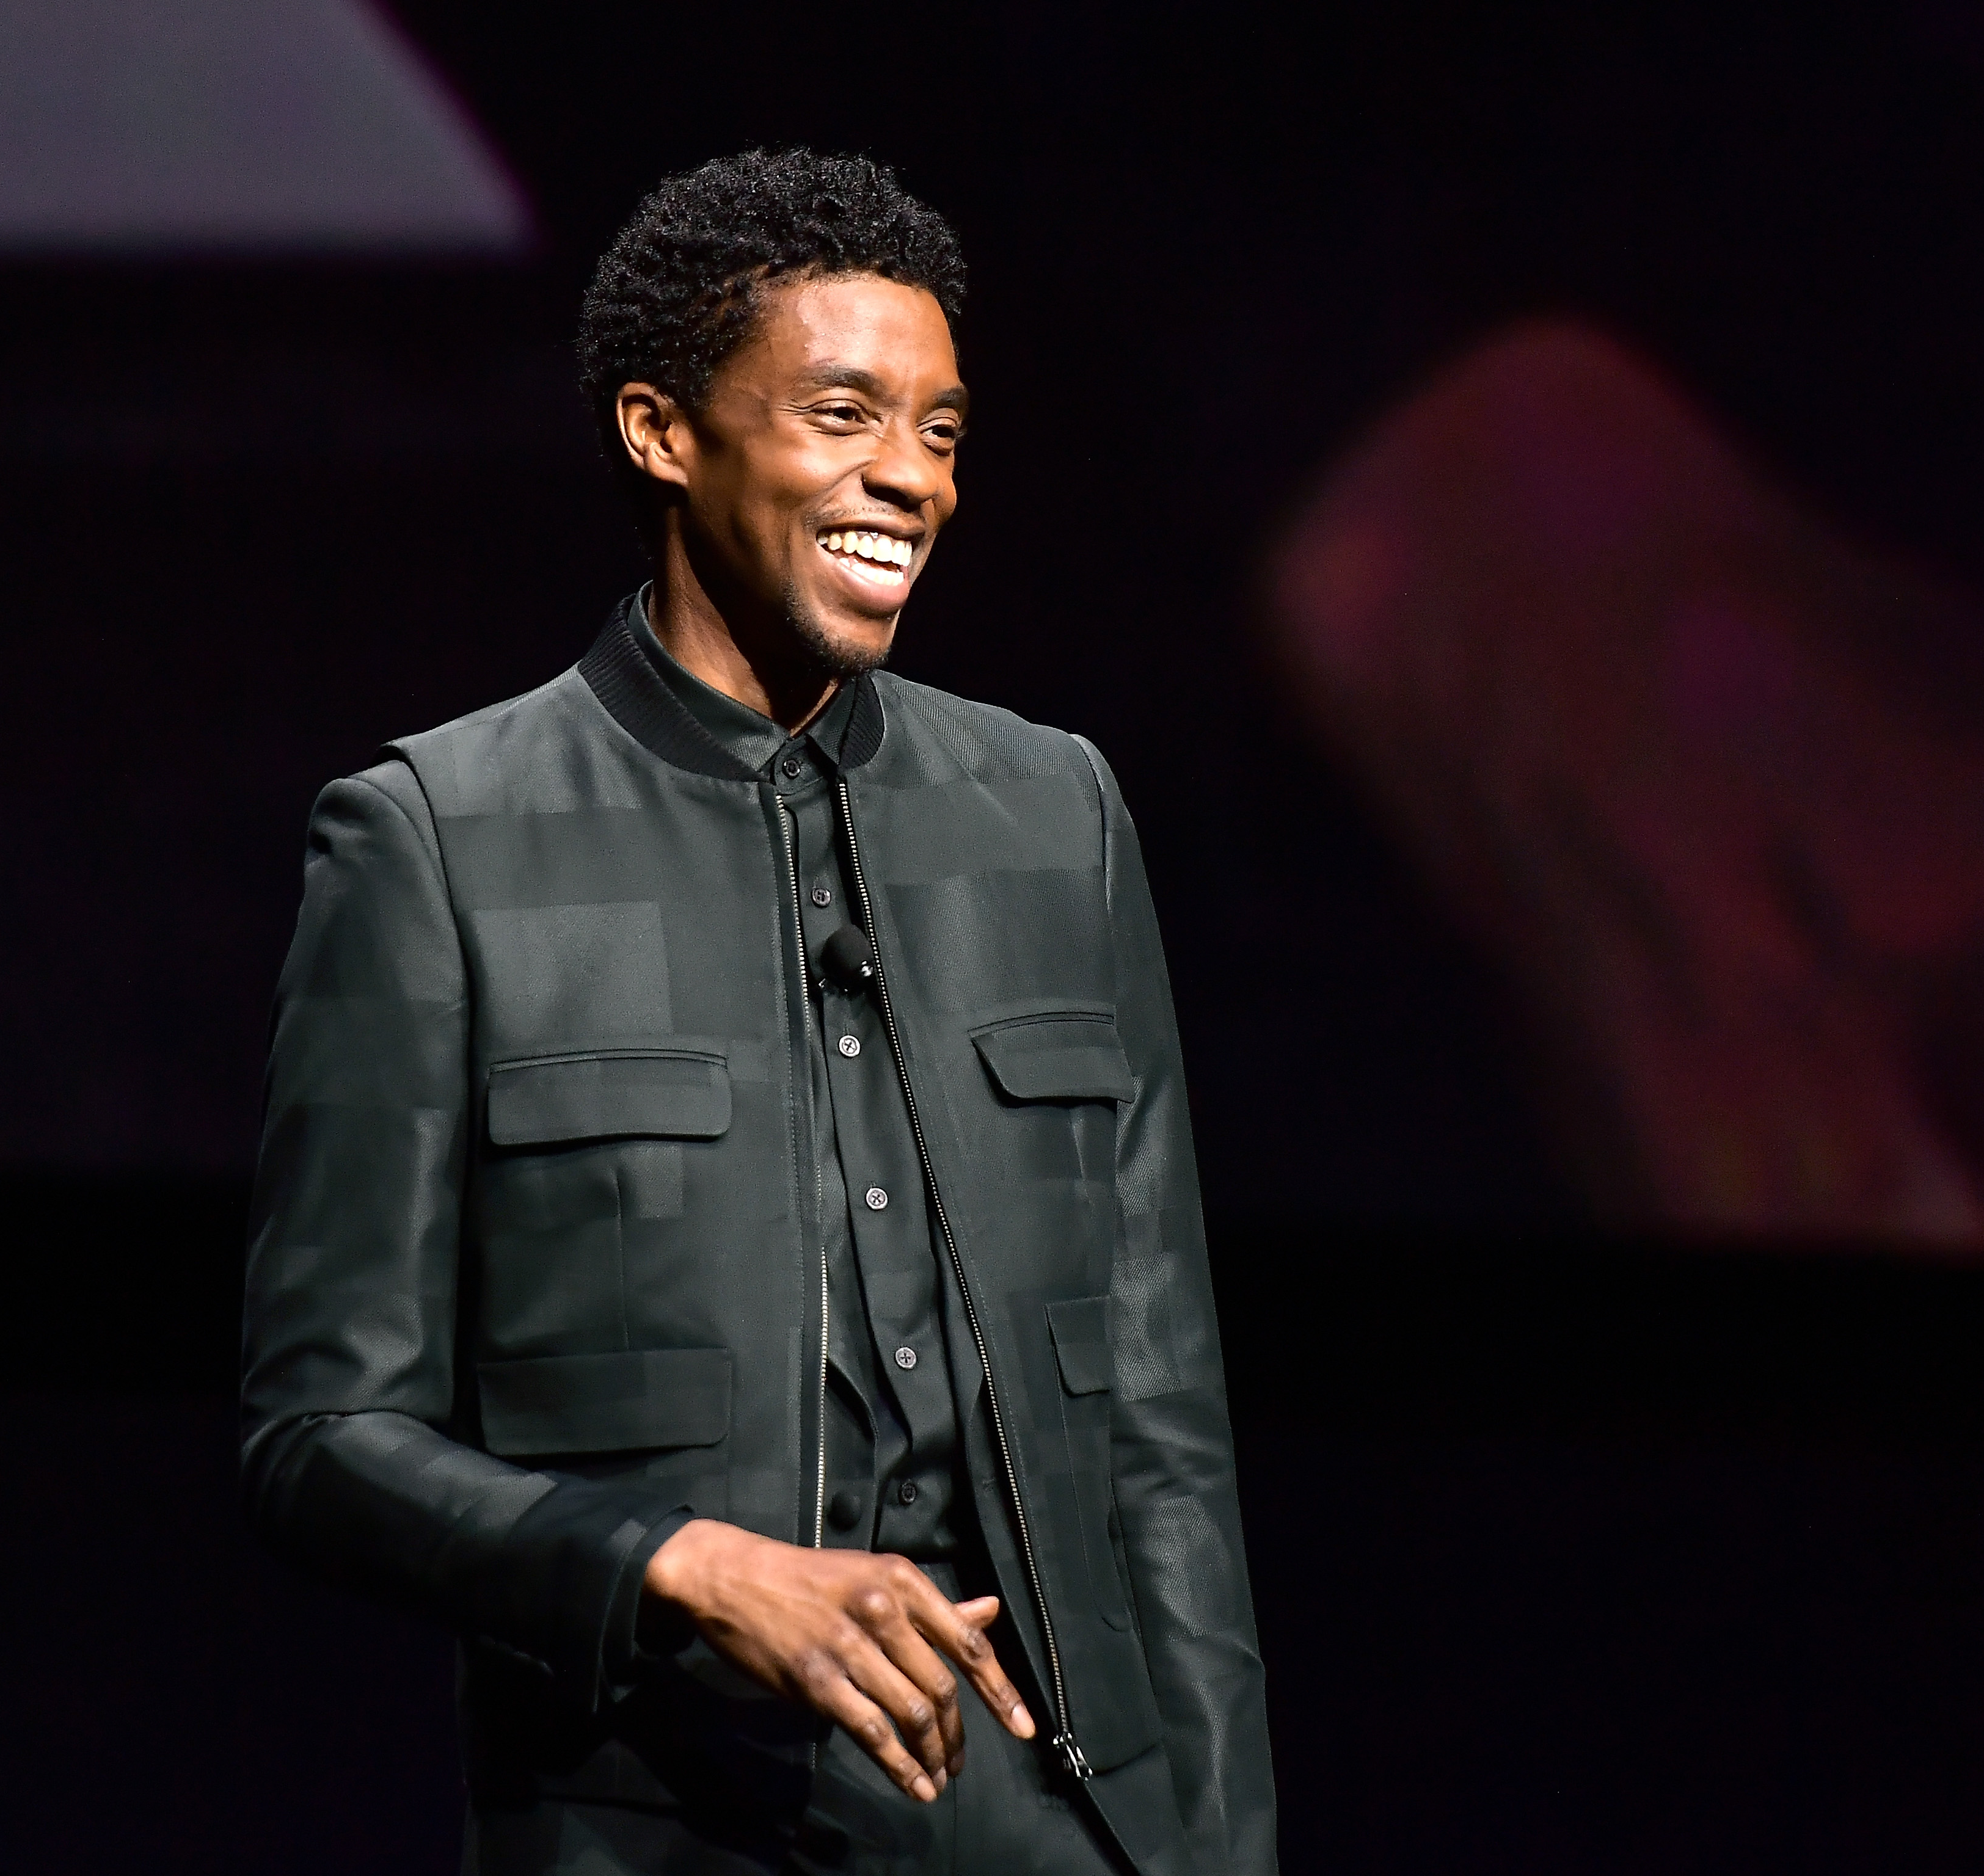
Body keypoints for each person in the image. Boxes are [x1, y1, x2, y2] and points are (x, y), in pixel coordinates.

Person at [240, 147, 1275, 1876]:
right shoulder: (437, 838)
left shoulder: (1053, 813)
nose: (908, 479)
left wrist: (1213, 1851)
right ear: (661, 432)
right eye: (844, 414)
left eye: (940, 432)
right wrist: (681, 1565)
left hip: (1069, 1821)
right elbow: (318, 1440)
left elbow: (1162, 1420)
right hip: (667, 1820)